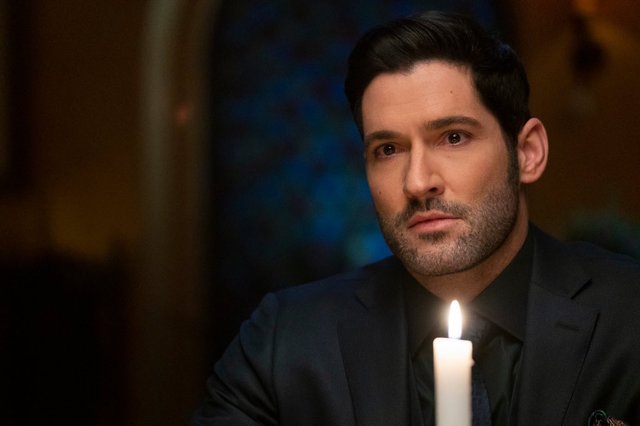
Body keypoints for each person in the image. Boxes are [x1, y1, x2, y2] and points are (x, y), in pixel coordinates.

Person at [192, 11, 640, 426]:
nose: (418, 181)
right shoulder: (284, 343)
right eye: (388, 149)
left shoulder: (630, 317)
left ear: (527, 153)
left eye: (453, 137)